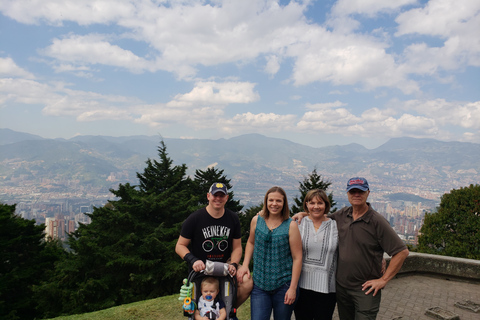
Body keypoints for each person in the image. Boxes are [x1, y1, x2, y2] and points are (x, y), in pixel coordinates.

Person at [293, 177, 409, 320]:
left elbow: (402, 252)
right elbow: (319, 217)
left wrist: (384, 280)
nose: (356, 194)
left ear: (368, 193)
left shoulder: (377, 221)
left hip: (365, 290)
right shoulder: (342, 215)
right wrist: (303, 214)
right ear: (348, 194)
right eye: (353, 191)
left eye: (360, 191)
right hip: (341, 288)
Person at [175, 182, 253, 308]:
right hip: (201, 267)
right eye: (215, 195)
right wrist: (193, 260)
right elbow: (180, 246)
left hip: (224, 266)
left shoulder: (233, 218)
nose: (218, 198)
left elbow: (237, 247)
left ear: (226, 198)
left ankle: (229, 310)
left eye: (221, 196)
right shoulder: (195, 218)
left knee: (247, 282)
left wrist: (233, 263)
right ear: (208, 196)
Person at [238, 186, 302, 320]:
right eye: (271, 200)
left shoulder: (291, 225)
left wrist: (292, 288)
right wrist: (245, 265)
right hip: (259, 285)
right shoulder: (257, 220)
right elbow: (251, 242)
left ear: (284, 203)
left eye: (278, 201)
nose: (274, 204)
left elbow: (297, 258)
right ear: (266, 202)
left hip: (284, 285)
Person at [294, 189, 338, 320]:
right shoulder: (297, 223)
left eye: (320, 203)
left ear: (326, 205)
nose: (316, 206)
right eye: (312, 203)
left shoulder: (336, 225)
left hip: (327, 288)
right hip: (301, 286)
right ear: (306, 204)